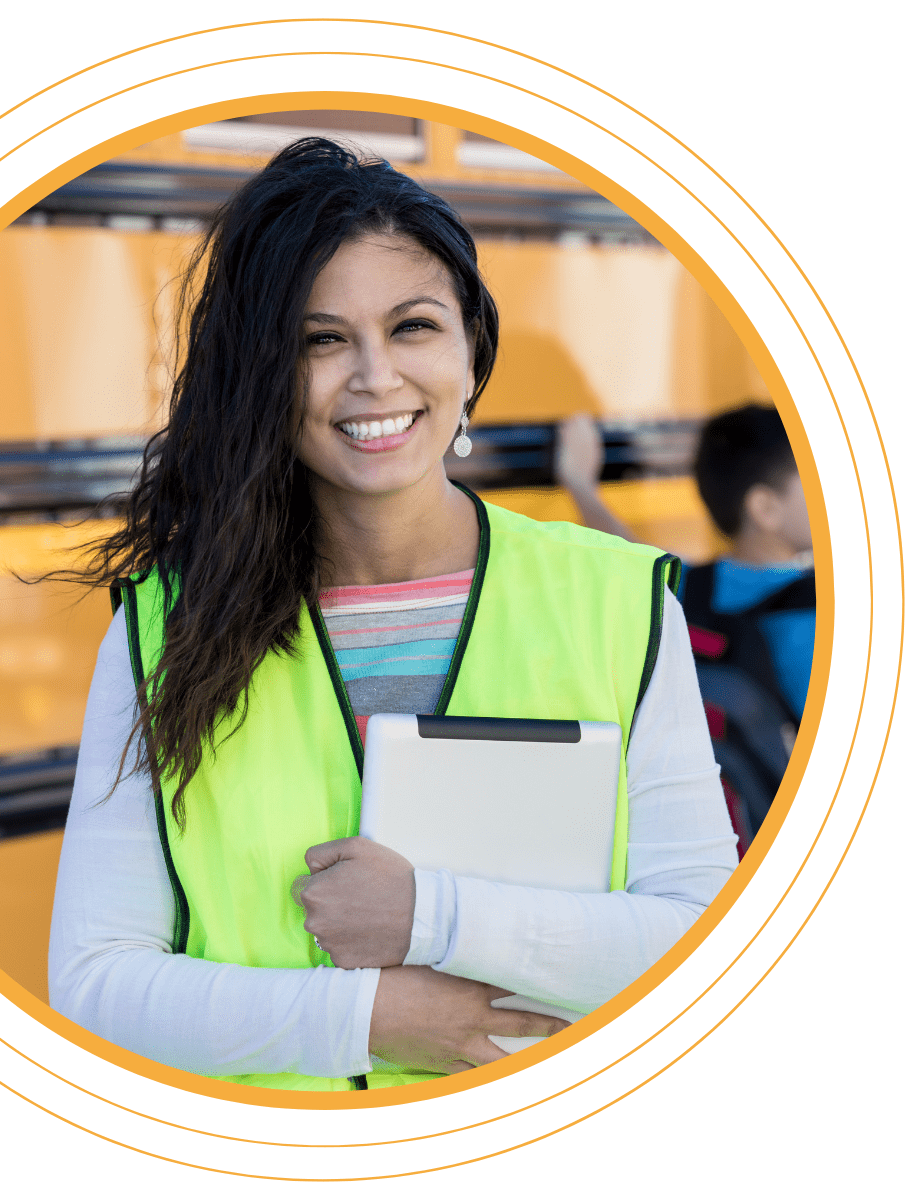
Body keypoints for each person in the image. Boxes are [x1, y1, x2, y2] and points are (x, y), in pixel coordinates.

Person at [48, 139, 738, 1093]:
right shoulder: (162, 627)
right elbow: (95, 988)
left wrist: (432, 918)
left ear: (470, 349)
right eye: (319, 340)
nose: (374, 376)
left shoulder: (620, 602)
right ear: (261, 376)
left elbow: (701, 944)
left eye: (413, 326)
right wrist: (367, 1020)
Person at [555, 406, 814, 844]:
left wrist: (578, 481)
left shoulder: (690, 591)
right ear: (765, 509)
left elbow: (627, 552)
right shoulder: (815, 616)